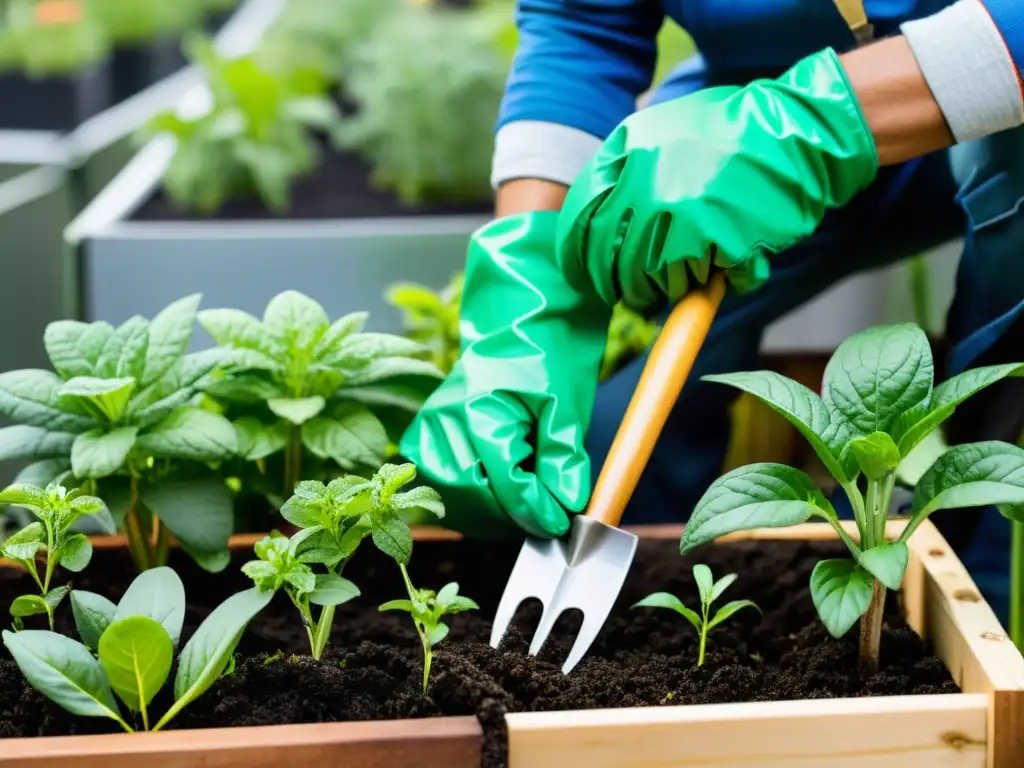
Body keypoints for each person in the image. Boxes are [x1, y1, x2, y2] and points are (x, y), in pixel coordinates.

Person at [398, 0, 1024, 594]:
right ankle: (650, 613)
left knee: (997, 418)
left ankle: (981, 592)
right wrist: (531, 279)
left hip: (997, 93)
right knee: (616, 374)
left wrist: (810, 123)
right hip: (749, 107)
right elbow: (583, 24)